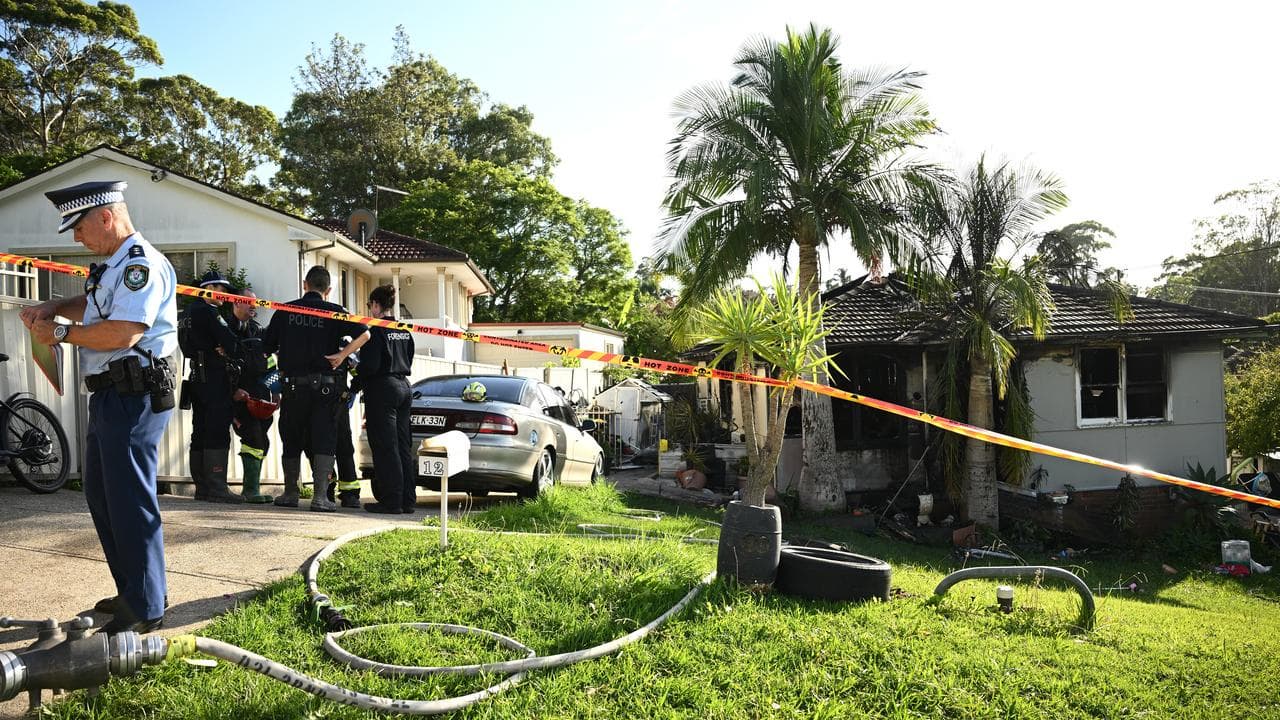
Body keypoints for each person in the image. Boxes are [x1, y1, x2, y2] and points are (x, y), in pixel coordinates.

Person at [21, 181, 177, 635]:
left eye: (79, 227)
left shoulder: (139, 264)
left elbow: (125, 331)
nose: (75, 238)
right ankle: (135, 587)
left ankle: (146, 605)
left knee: (128, 497)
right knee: (105, 495)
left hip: (134, 394)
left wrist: (60, 335)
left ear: (106, 217)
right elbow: (93, 305)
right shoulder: (113, 265)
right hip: (112, 394)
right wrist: (56, 306)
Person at [261, 266, 369, 511]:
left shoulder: (285, 310)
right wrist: (342, 355)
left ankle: (290, 493)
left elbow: (266, 346)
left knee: (291, 437)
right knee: (324, 438)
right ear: (328, 290)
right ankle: (320, 497)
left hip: (293, 388)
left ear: (305, 284)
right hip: (325, 389)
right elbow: (365, 334)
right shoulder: (335, 312)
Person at [178, 270, 244, 503]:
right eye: (222, 290)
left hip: (195, 377)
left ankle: (202, 487)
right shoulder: (209, 312)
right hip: (214, 377)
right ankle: (217, 487)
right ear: (209, 288)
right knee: (216, 430)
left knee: (200, 430)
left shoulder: (186, 312)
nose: (224, 296)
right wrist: (227, 347)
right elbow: (232, 343)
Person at [359, 285, 418, 514]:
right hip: (404, 386)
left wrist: (356, 377)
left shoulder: (375, 330)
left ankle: (391, 501)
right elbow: (409, 356)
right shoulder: (403, 329)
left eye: (369, 306)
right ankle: (408, 500)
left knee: (385, 446)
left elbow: (371, 366)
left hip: (382, 388)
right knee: (403, 445)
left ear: (375, 305)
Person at [228, 288, 276, 503]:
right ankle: (250, 490)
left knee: (262, 442)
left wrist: (276, 392)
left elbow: (271, 365)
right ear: (236, 303)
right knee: (253, 438)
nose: (254, 306)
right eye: (249, 302)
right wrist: (232, 392)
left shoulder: (258, 331)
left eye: (255, 303)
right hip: (239, 399)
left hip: (261, 399)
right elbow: (220, 366)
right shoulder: (226, 330)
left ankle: (252, 488)